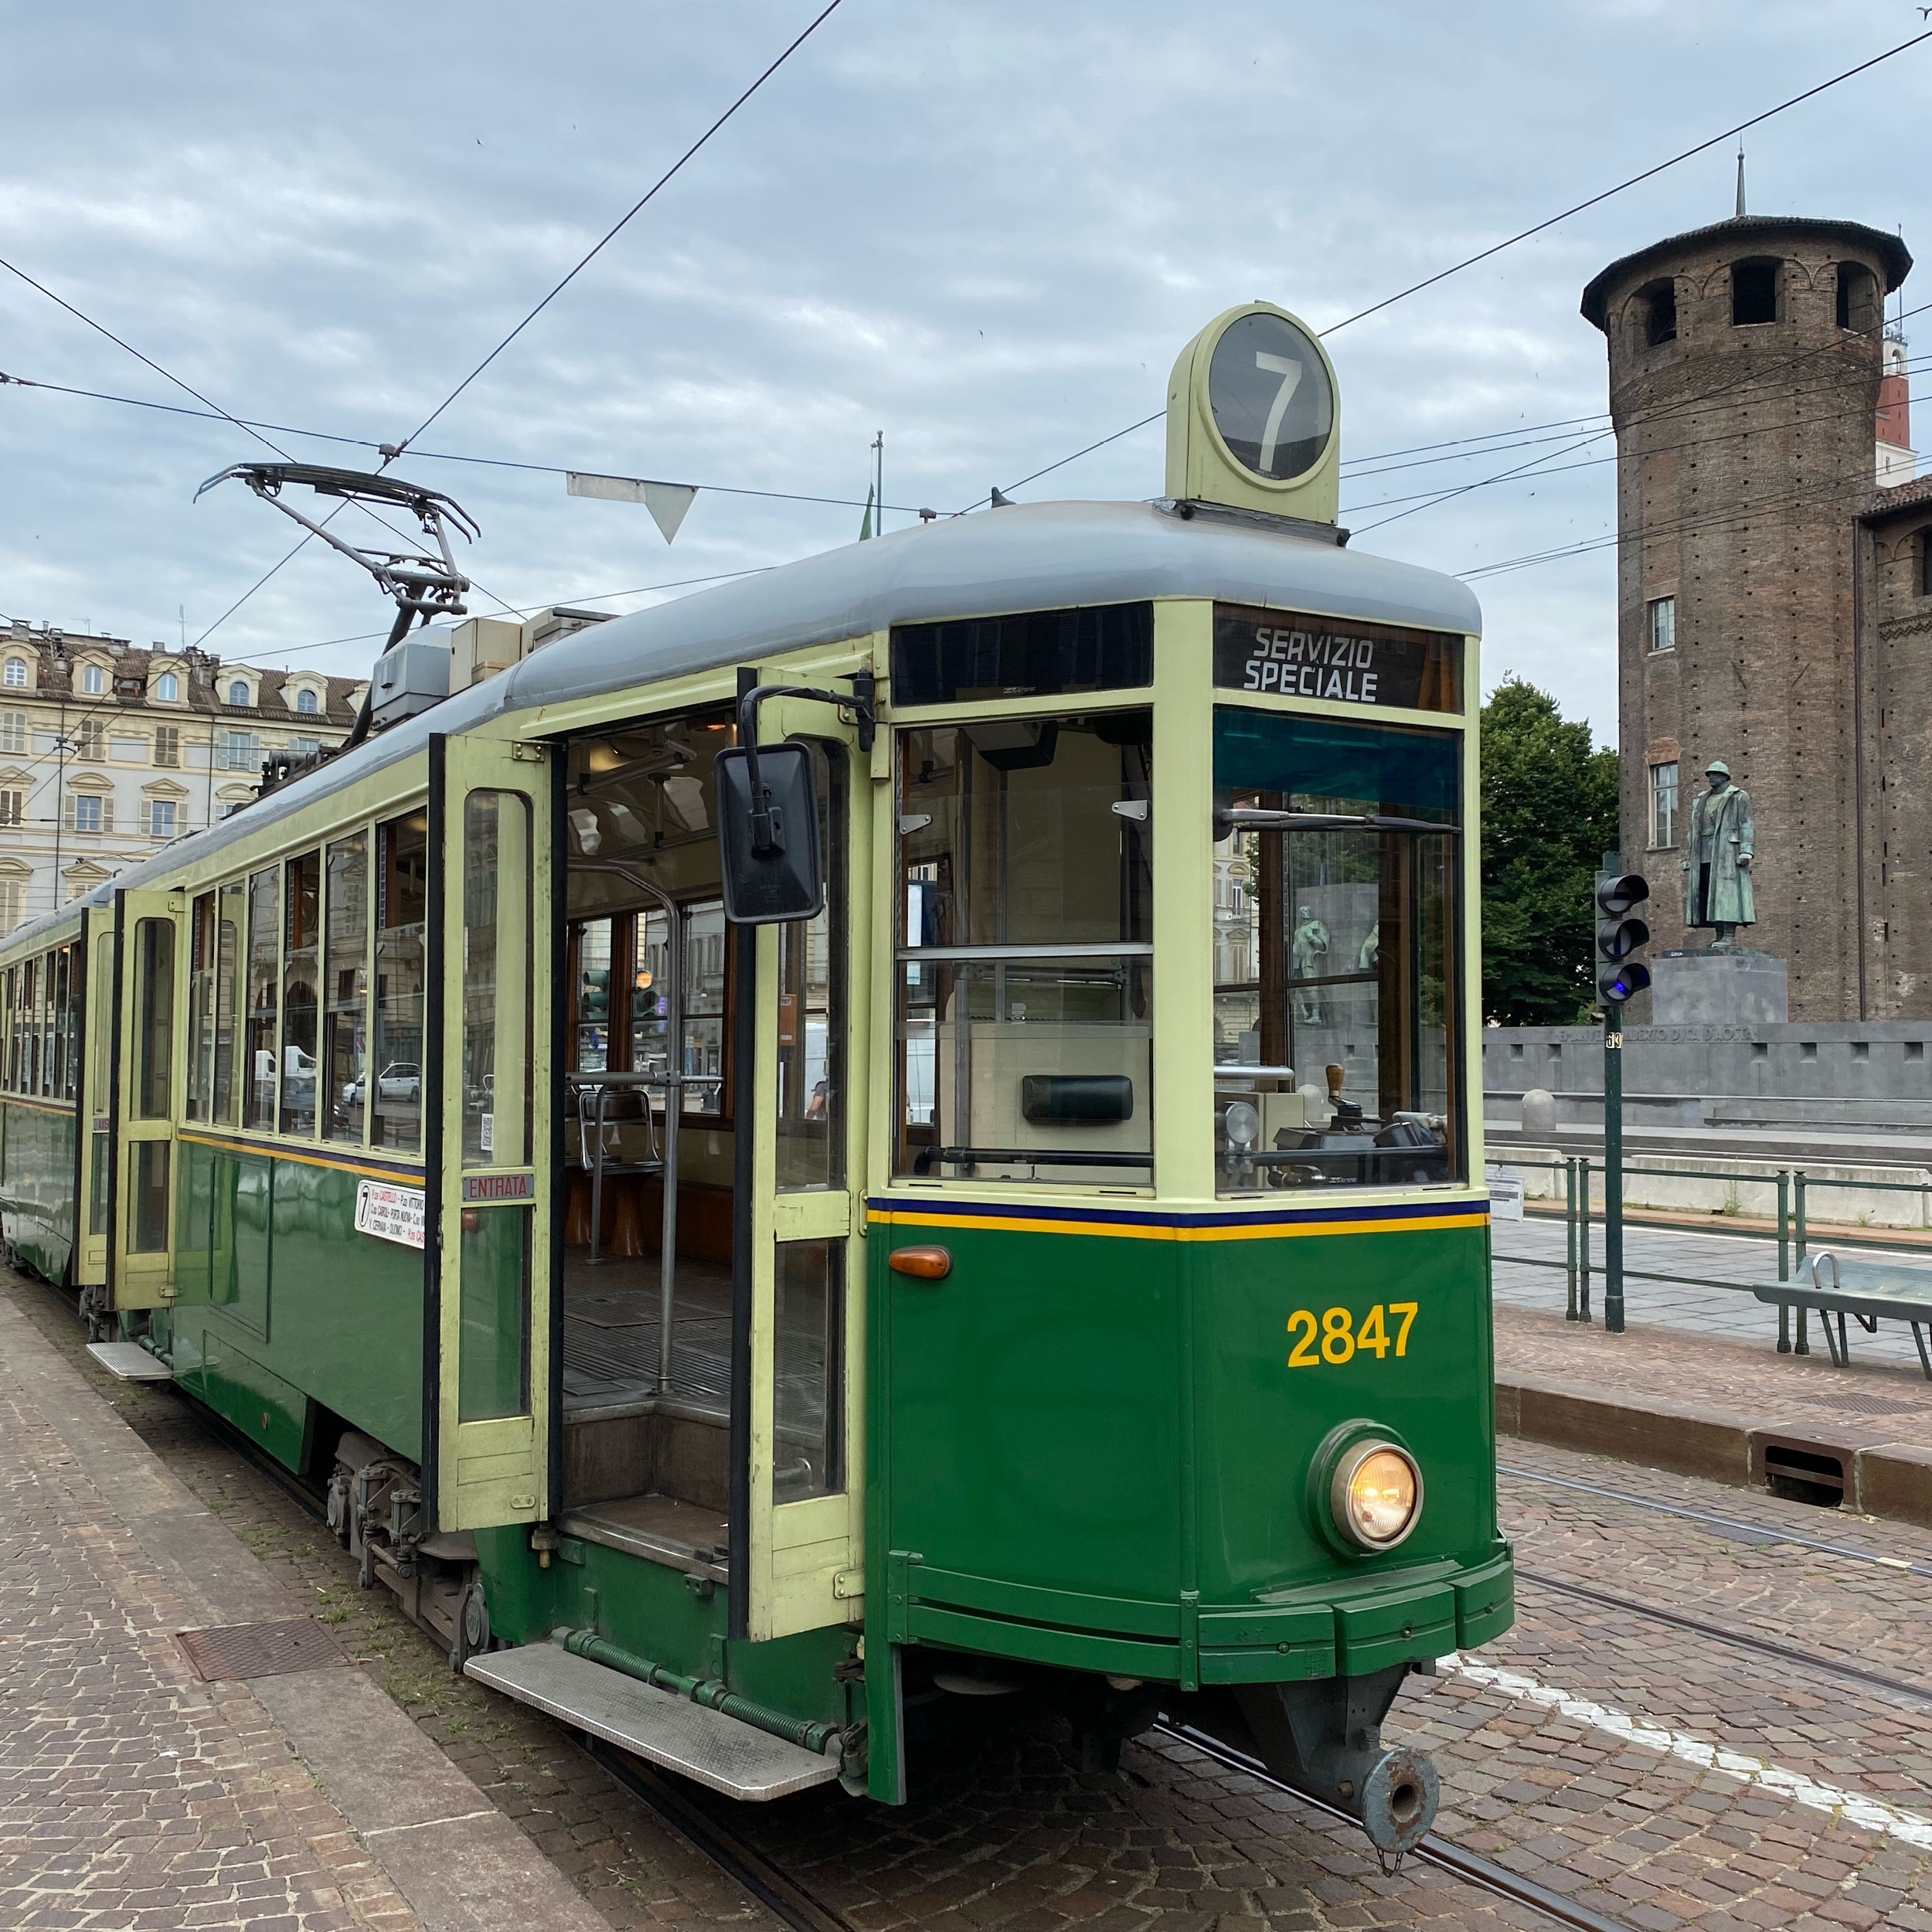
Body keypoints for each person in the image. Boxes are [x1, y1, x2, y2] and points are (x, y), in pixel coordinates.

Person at [1681, 760, 1755, 948]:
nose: (1710, 777)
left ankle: (1729, 935)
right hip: (1703, 851)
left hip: (1727, 852)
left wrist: (1746, 850)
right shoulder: (1700, 800)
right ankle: (1719, 935)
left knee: (1727, 894)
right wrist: (1689, 858)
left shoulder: (1738, 797)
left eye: (1714, 774)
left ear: (1724, 777)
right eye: (1709, 774)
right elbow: (1693, 830)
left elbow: (1746, 824)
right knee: (1708, 892)